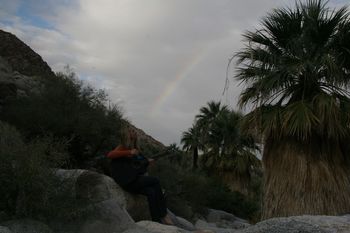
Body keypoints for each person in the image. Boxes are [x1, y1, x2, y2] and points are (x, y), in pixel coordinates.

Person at [107, 126, 174, 225]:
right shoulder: (124, 146)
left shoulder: (136, 149)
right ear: (127, 134)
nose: (134, 132)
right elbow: (110, 155)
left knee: (151, 192)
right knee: (155, 180)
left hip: (133, 180)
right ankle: (163, 214)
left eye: (134, 131)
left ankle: (156, 221)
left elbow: (137, 168)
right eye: (131, 131)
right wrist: (129, 152)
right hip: (127, 181)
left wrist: (147, 163)